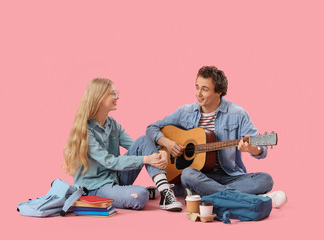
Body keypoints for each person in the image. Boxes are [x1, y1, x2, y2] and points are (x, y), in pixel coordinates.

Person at [146, 66, 287, 208]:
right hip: (201, 176)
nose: (198, 94)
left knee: (266, 179)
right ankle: (250, 197)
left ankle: (209, 194)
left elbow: (261, 149)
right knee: (187, 174)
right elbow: (152, 128)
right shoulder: (185, 112)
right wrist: (168, 143)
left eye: (205, 89)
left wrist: (252, 148)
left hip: (231, 176)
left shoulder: (238, 113)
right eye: (197, 87)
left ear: (219, 91)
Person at [63, 78, 183, 211]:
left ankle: (165, 191)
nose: (117, 97)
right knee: (140, 195)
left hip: (115, 178)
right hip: (96, 188)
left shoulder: (112, 124)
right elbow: (109, 161)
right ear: (100, 98)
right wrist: (146, 159)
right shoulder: (86, 130)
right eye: (112, 93)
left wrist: (161, 153)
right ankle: (150, 192)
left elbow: (140, 146)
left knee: (144, 139)